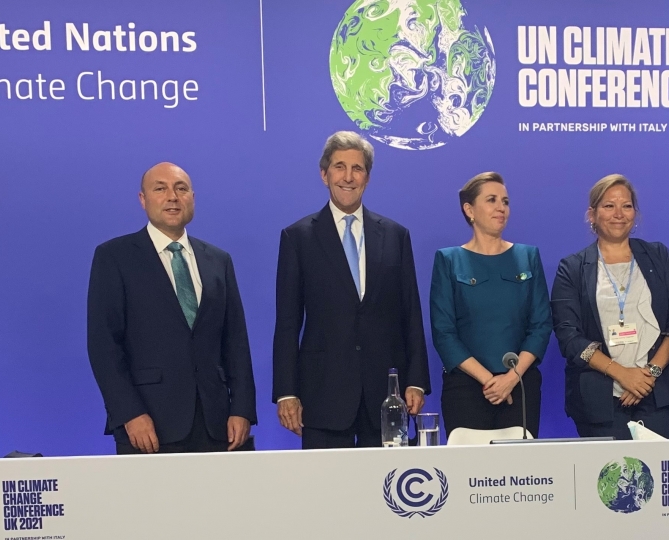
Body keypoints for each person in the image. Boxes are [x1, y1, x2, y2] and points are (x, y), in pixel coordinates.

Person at [272, 131, 430, 449]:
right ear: (324, 174)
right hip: (323, 394)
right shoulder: (298, 238)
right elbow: (288, 321)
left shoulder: (396, 236)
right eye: (339, 166)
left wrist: (417, 381)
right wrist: (287, 392)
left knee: (389, 494)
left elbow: (410, 313)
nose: (348, 177)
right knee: (326, 494)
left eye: (357, 168)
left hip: (387, 397)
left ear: (367, 178)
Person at [87, 162, 257, 454]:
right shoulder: (114, 257)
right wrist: (129, 413)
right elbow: (104, 346)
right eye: (160, 188)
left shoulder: (218, 260)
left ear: (192, 197)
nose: (172, 196)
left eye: (181, 189)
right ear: (143, 199)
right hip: (148, 426)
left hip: (217, 426)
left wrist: (241, 410)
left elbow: (236, 342)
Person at [551, 174, 669, 440]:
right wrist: (623, 375)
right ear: (592, 214)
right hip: (599, 401)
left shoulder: (658, 255)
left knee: (654, 477)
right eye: (608, 206)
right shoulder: (572, 268)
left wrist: (649, 374)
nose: (618, 214)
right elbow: (569, 337)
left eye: (626, 206)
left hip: (657, 394)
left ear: (635, 214)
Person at [430, 172, 552, 439]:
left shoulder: (528, 256)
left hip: (520, 386)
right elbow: (444, 332)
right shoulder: (449, 260)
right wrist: (489, 381)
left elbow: (541, 325)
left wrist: (511, 378)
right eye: (492, 200)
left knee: (520, 474)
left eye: (505, 201)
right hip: (466, 388)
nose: (501, 208)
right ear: (469, 209)